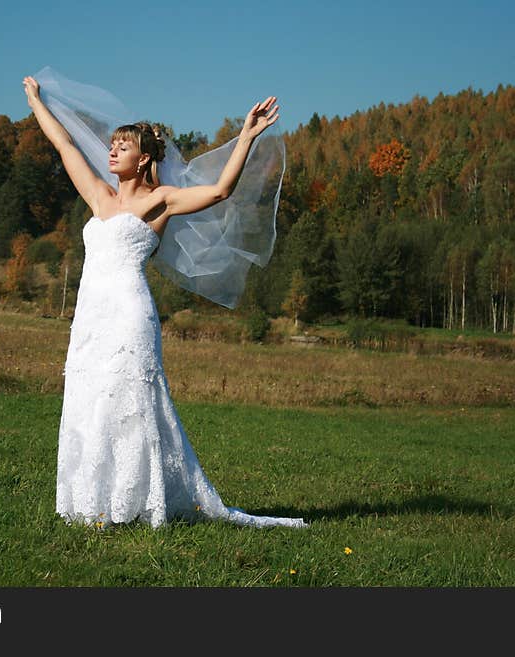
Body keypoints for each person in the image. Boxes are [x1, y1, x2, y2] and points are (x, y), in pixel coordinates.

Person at [23, 71, 307, 529]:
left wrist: (246, 136)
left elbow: (219, 191)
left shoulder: (163, 201)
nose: (111, 150)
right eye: (111, 144)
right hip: (90, 319)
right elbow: (65, 147)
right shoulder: (99, 198)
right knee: (89, 399)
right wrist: (38, 102)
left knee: (132, 405)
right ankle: (92, 504)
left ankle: (138, 504)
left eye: (122, 146)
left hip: (130, 315)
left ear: (142, 160)